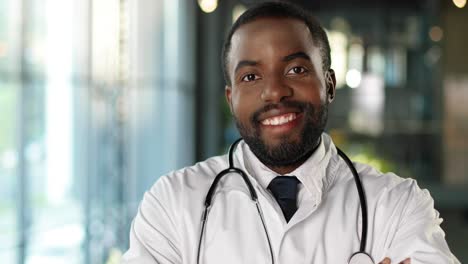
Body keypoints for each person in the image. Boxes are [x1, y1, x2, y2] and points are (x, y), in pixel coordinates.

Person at [121, 2, 460, 264]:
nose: (274, 93)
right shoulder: (173, 203)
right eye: (251, 77)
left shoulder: (397, 205)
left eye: (296, 69)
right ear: (231, 98)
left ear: (328, 84)